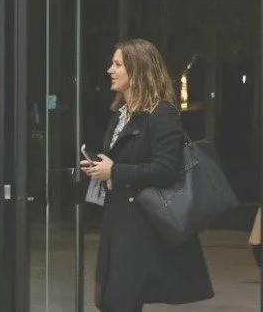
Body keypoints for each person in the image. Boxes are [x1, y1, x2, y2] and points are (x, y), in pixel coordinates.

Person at [79, 39, 213, 312]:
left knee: (121, 301)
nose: (110, 70)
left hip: (141, 227)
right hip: (117, 221)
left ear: (138, 70)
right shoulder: (121, 114)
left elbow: (166, 169)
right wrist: (100, 167)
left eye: (118, 64)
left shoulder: (161, 113)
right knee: (110, 300)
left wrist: (115, 171)